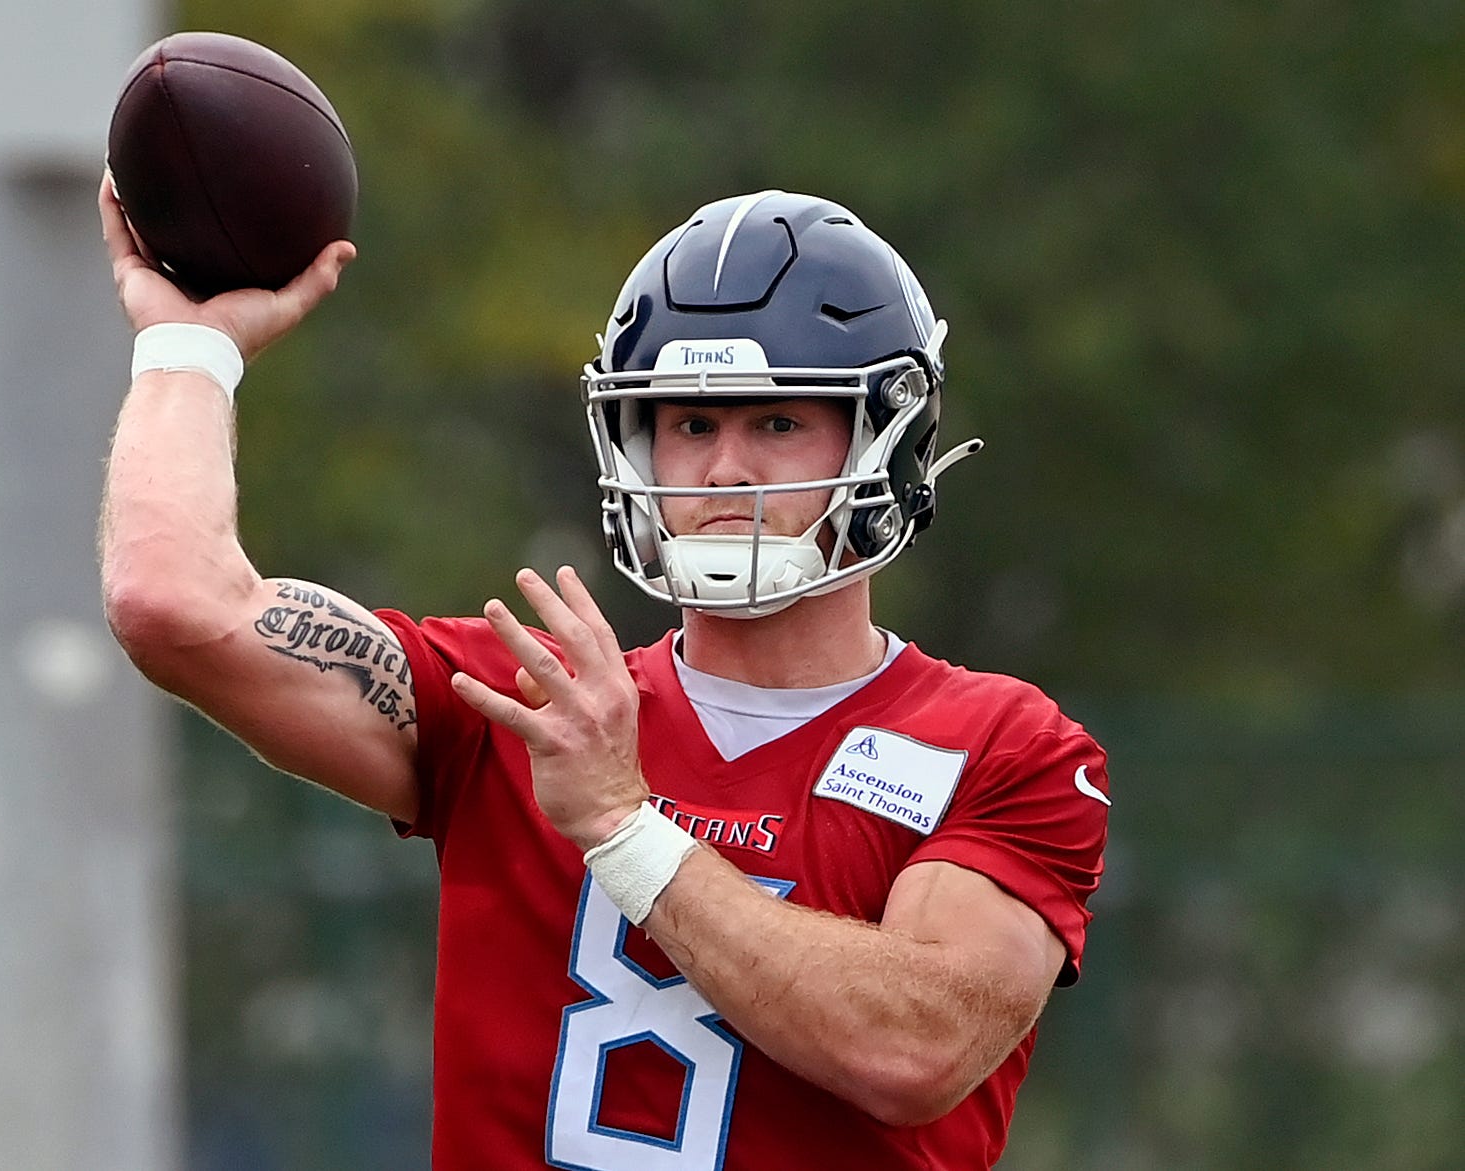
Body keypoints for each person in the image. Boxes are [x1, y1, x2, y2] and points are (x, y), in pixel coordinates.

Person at [99, 179, 1111, 1171]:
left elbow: (912, 1047)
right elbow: (174, 604)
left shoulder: (1005, 746)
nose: (724, 472)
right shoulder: (526, 700)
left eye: (777, 423)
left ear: (889, 439)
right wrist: (189, 348)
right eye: (691, 426)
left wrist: (624, 828)